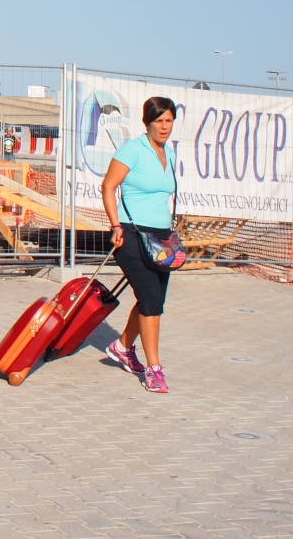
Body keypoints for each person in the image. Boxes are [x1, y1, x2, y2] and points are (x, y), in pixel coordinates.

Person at [101, 96, 179, 393]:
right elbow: (108, 186)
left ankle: (122, 347)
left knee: (153, 300)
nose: (164, 126)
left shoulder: (169, 153)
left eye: (169, 121)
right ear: (147, 122)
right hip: (132, 234)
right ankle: (154, 369)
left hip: (162, 239)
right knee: (150, 300)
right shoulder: (132, 150)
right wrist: (115, 225)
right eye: (159, 121)